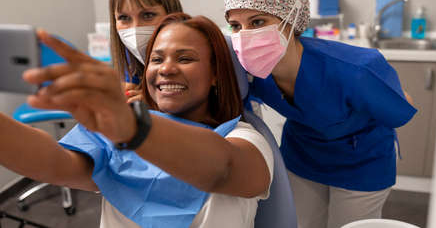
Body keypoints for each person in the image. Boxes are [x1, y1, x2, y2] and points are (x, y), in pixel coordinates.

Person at [0, 13, 273, 228]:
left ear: (215, 74)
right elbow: (53, 163)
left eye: (185, 58)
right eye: (156, 59)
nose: (166, 69)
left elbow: (222, 168)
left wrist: (133, 127)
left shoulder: (245, 138)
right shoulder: (116, 124)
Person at [223, 0, 417, 227]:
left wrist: (386, 90)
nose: (245, 36)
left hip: (361, 163)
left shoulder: (355, 70)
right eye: (235, 26)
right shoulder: (249, 72)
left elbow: (400, 111)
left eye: (258, 21)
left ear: (290, 19)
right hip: (303, 156)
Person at [108, 0, 183, 103]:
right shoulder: (128, 54)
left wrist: (155, 101)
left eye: (148, 15)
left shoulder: (192, 50)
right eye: (124, 18)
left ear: (170, 13)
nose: (135, 28)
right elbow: (128, 91)